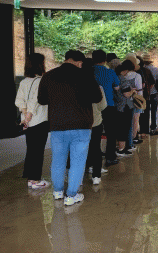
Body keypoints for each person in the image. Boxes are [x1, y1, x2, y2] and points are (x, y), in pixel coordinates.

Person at [37, 50, 102, 207]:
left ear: (66, 59)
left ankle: (58, 191)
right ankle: (71, 195)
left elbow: (42, 100)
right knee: (77, 161)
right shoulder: (85, 75)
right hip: (81, 125)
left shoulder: (48, 76)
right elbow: (97, 97)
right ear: (79, 62)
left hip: (57, 125)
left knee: (58, 160)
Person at [15, 53, 50, 189]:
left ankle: (31, 178)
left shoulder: (24, 81)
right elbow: (35, 100)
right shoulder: (42, 80)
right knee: (38, 150)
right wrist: (29, 114)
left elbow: (19, 101)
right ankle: (35, 180)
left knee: (31, 149)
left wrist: (25, 115)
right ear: (40, 64)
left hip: (27, 122)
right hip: (39, 120)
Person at [92, 49, 120, 168]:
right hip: (109, 105)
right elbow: (117, 87)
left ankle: (94, 157)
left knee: (94, 132)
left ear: (93, 59)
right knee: (111, 132)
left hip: (93, 106)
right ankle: (110, 157)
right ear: (105, 60)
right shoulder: (110, 72)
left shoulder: (89, 71)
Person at [83, 58, 108, 185]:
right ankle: (96, 176)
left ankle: (81, 173)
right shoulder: (98, 88)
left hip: (80, 124)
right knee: (95, 148)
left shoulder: (75, 88)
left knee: (80, 148)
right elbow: (103, 106)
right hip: (95, 122)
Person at [114, 60, 137, 157]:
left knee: (122, 127)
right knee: (124, 128)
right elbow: (127, 94)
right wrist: (133, 91)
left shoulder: (115, 77)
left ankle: (122, 148)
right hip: (125, 107)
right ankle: (121, 149)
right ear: (125, 70)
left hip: (118, 106)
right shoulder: (122, 79)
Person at [124, 54, 143, 148]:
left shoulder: (122, 76)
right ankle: (132, 140)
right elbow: (140, 90)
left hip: (125, 101)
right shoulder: (137, 76)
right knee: (135, 121)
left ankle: (125, 142)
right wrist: (141, 101)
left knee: (126, 123)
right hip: (135, 101)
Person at [142, 53, 158, 135]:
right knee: (154, 111)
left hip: (144, 94)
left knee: (145, 111)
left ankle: (145, 129)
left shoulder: (141, 70)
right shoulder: (155, 69)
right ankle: (153, 128)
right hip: (154, 93)